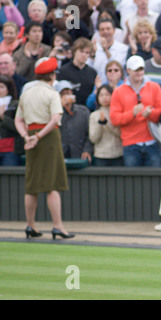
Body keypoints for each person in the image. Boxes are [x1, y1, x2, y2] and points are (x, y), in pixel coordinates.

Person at [14, 57, 74, 240]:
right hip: (48, 137)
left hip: (30, 134)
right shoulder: (52, 94)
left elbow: (18, 120)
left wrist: (27, 137)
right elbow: (55, 119)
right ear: (52, 75)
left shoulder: (26, 94)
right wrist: (38, 137)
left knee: (32, 184)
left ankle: (30, 225)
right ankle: (57, 226)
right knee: (52, 184)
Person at [110, 55, 161, 167]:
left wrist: (150, 114)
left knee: (154, 180)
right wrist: (132, 113)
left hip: (153, 142)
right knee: (132, 182)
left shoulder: (155, 87)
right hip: (131, 145)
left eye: (141, 69)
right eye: (136, 70)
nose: (139, 72)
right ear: (128, 70)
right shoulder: (118, 91)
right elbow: (115, 119)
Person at [57, 80, 93, 164]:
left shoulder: (83, 111)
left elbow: (90, 134)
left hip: (79, 154)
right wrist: (59, 107)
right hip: (61, 155)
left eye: (68, 93)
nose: (66, 96)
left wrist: (87, 150)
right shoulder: (55, 112)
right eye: (63, 94)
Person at [89, 84, 124, 166]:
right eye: (101, 95)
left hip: (117, 154)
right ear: (97, 98)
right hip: (101, 155)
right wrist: (100, 124)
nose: (104, 97)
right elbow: (93, 139)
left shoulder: (117, 113)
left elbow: (121, 134)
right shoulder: (94, 115)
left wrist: (106, 123)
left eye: (107, 94)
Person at [57, 37, 97, 106]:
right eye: (81, 51)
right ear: (75, 51)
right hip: (69, 110)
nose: (84, 55)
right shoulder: (63, 71)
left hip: (88, 110)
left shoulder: (92, 72)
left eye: (87, 52)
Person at [88, 19, 128, 83]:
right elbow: (89, 69)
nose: (105, 32)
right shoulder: (94, 48)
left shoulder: (123, 48)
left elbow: (118, 66)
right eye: (102, 29)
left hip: (118, 85)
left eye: (108, 29)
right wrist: (92, 55)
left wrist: (106, 50)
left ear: (114, 30)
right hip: (99, 87)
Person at [0, 74, 21, 166]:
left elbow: (18, 127)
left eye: (1, 87)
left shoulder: (15, 105)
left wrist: (3, 117)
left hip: (10, 150)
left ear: (8, 89)